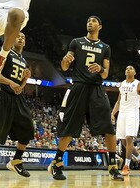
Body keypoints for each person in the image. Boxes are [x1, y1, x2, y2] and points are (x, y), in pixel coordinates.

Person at [48, 16, 124, 181]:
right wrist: (65, 60)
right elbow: (64, 66)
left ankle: (112, 166)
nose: (90, 22)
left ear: (100, 26)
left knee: (109, 127)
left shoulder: (105, 47)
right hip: (79, 86)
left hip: (97, 88)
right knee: (69, 127)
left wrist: (100, 69)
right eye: (88, 20)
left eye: (94, 21)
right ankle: (57, 163)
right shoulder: (76, 42)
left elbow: (105, 74)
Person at [0, 32, 33, 179]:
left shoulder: (24, 61)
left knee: (28, 128)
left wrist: (25, 79)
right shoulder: (5, 53)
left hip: (17, 97)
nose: (20, 38)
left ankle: (16, 161)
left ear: (25, 42)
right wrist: (10, 82)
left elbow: (21, 86)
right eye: (17, 36)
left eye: (23, 37)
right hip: (2, 93)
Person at [111, 65, 140, 176]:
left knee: (129, 138)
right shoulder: (122, 84)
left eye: (131, 68)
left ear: (135, 72)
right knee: (123, 141)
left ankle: (126, 166)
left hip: (133, 113)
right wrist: (112, 113)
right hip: (122, 113)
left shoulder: (139, 84)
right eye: (126, 68)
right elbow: (119, 101)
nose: (128, 69)